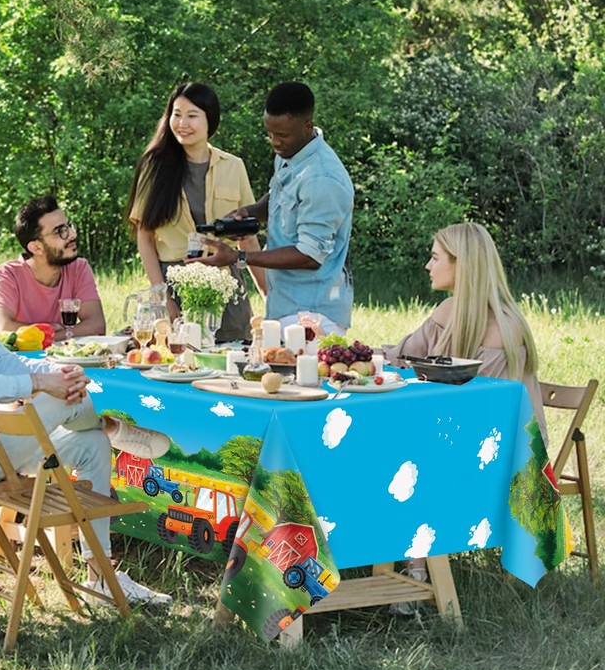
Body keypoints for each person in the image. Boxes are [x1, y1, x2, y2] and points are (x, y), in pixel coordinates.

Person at [0, 212, 172, 606]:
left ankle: (101, 577)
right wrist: (41, 384)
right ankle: (114, 424)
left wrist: (56, 370)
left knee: (91, 444)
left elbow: (7, 362)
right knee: (55, 398)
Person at [383, 221, 547, 609]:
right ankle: (372, 557)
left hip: (500, 455)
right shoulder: (450, 310)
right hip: (456, 438)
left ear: (462, 266)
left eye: (436, 257)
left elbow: (479, 415)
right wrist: (343, 350)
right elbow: (402, 356)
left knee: (400, 455)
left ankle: (414, 576)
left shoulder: (506, 329)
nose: (428, 265)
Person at [195, 81, 354, 335]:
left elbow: (309, 256)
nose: (275, 143)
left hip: (312, 313)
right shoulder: (290, 153)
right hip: (285, 304)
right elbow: (278, 198)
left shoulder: (322, 178)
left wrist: (239, 258)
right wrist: (249, 213)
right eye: (270, 134)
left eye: (282, 136)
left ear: (307, 126)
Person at [126, 82, 266, 343]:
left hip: (225, 286)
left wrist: (269, 295)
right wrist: (163, 299)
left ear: (210, 120)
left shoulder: (233, 166)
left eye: (192, 116)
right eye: (176, 115)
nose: (182, 123)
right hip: (174, 282)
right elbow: (145, 238)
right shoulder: (154, 166)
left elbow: (247, 238)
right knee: (176, 365)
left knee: (230, 364)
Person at [0, 196, 106, 338]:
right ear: (36, 248)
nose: (72, 235)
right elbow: (3, 328)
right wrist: (50, 331)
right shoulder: (5, 276)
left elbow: (96, 325)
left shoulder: (78, 268)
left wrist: (49, 336)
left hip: (63, 359)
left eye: (68, 226)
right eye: (59, 231)